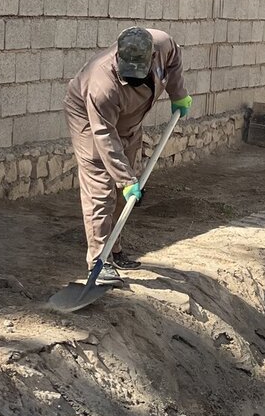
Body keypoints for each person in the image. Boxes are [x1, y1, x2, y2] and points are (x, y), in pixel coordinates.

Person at [64, 27, 191, 283]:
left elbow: (174, 59)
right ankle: (99, 263)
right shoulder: (102, 85)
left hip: (130, 121)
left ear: (151, 56)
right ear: (118, 57)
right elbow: (104, 135)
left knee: (129, 186)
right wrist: (124, 180)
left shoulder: (162, 44)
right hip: (91, 122)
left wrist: (178, 94)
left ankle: (114, 248)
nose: (132, 77)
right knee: (102, 189)